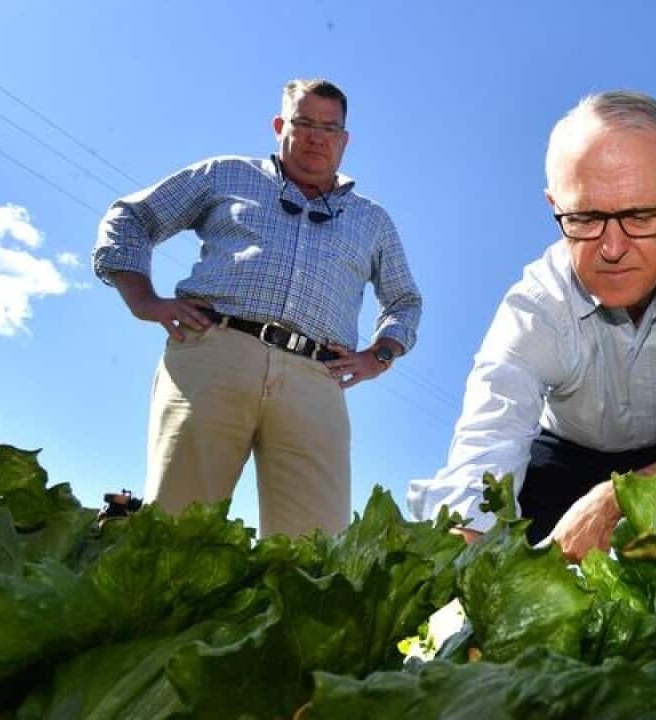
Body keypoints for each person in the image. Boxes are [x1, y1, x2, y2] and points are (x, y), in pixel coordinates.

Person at [408, 91, 656, 561]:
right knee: (513, 570)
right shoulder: (535, 307)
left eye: (641, 216)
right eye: (585, 218)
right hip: (565, 456)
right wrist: (465, 557)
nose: (613, 248)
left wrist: (621, 496)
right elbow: (489, 442)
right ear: (555, 206)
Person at [92, 78, 421, 537]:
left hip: (317, 377)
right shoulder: (227, 175)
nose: (315, 137)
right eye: (303, 122)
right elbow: (130, 217)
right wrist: (144, 300)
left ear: (344, 139)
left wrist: (379, 354)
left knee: (315, 548)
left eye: (329, 127)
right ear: (279, 125)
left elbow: (404, 301)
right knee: (175, 529)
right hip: (214, 352)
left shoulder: (372, 221)